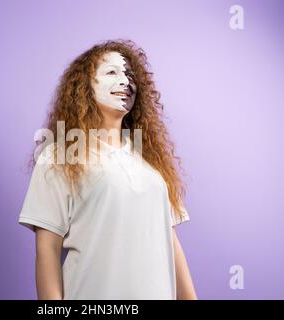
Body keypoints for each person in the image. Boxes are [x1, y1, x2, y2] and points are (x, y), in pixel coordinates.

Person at [18, 39, 197, 300]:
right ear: (85, 87)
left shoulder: (150, 158)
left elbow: (170, 240)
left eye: (130, 74)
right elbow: (47, 251)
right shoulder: (60, 156)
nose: (125, 81)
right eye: (112, 72)